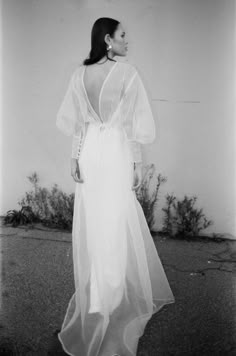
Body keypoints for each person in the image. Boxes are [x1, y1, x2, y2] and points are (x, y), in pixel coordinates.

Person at [56, 17, 175, 356]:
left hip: (91, 152)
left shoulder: (79, 75)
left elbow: (78, 123)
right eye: (123, 35)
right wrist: (138, 163)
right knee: (115, 221)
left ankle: (99, 300)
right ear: (108, 39)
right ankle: (110, 297)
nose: (128, 41)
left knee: (96, 221)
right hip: (115, 152)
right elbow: (133, 123)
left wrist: (74, 158)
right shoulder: (127, 74)